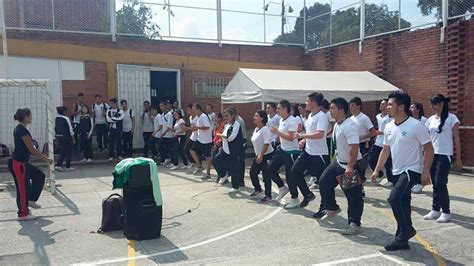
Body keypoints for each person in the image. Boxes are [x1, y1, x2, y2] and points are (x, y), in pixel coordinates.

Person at [371, 91, 434, 251]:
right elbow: (385, 150)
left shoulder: (415, 125)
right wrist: (377, 170)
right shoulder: (389, 126)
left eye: (391, 104)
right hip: (397, 170)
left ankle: (406, 230)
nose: (387, 106)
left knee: (394, 199)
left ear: (401, 107)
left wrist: (425, 172)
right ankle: (402, 239)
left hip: (412, 169)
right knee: (403, 202)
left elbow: (429, 148)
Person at [316, 98, 364, 235]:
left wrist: (350, 166)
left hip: (349, 166)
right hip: (337, 162)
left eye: (332, 109)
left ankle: (354, 224)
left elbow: (354, 147)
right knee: (324, 182)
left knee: (353, 197)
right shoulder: (338, 124)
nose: (330, 111)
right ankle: (332, 208)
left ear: (341, 110)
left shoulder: (350, 125)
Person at [8, 108, 54, 221]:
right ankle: (23, 214)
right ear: (25, 117)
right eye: (30, 115)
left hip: (24, 163)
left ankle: (31, 200)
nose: (31, 117)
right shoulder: (21, 130)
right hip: (18, 164)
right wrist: (46, 159)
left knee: (39, 176)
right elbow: (31, 149)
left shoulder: (22, 129)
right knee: (23, 188)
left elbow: (30, 148)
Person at [423, 94, 462, 223]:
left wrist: (458, 158)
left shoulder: (452, 118)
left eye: (434, 104)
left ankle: (446, 212)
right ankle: (435, 209)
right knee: (435, 183)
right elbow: (426, 138)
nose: (432, 107)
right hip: (432, 154)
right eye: (431, 104)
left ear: (441, 104)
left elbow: (456, 139)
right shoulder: (430, 120)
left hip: (444, 154)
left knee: (440, 183)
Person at [288, 92, 329, 209]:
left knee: (323, 183)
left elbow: (320, 134)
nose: (305, 103)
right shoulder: (310, 116)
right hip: (308, 151)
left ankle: (325, 207)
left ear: (314, 103)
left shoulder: (322, 116)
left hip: (319, 154)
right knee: (295, 171)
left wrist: (303, 136)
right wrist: (304, 140)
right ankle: (307, 194)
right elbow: (309, 132)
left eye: (307, 101)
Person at [267, 100, 298, 202]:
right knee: (270, 169)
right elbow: (281, 136)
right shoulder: (281, 120)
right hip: (282, 149)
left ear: (285, 109)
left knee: (290, 176)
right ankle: (282, 187)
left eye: (279, 108)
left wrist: (277, 132)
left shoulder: (292, 120)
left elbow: (291, 137)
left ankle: (294, 198)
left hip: (291, 152)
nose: (277, 110)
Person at [213, 108, 244, 192]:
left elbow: (231, 137)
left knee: (234, 168)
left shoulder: (236, 124)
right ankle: (223, 175)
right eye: (225, 116)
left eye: (227, 116)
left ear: (232, 116)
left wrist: (220, 135)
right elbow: (225, 135)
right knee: (216, 159)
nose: (226, 118)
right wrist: (221, 138)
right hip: (225, 148)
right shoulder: (227, 125)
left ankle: (235, 187)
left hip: (234, 149)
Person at [249, 110, 275, 202]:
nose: (254, 117)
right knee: (252, 173)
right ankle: (258, 189)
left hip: (266, 155)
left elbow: (267, 143)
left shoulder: (265, 129)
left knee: (266, 176)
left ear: (262, 118)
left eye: (256, 116)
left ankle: (268, 196)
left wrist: (261, 155)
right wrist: (259, 155)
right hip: (258, 155)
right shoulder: (256, 129)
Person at [368, 99, 394, 187]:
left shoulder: (390, 117)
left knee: (388, 162)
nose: (381, 105)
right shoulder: (378, 116)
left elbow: (391, 129)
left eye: (383, 104)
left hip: (387, 142)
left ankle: (391, 180)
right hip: (378, 141)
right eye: (381, 104)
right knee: (371, 159)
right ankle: (380, 174)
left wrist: (381, 132)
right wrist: (376, 135)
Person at [190, 103, 213, 179]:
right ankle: (199, 166)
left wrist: (198, 127)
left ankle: (208, 173)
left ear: (199, 109)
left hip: (206, 140)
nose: (193, 111)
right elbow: (198, 127)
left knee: (208, 157)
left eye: (194, 110)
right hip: (200, 139)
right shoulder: (198, 117)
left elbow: (207, 127)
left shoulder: (203, 116)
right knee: (192, 151)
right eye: (192, 110)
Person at [410, 102, 428, 193]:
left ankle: (420, 183)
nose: (410, 109)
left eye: (413, 107)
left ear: (418, 110)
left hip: (422, 146)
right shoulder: (409, 120)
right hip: (412, 147)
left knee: (421, 165)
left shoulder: (424, 120)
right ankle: (415, 182)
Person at [54, 106, 75, 171]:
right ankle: (65, 166)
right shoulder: (66, 118)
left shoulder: (56, 118)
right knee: (68, 152)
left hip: (59, 137)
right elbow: (70, 128)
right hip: (66, 137)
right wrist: (73, 137)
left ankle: (59, 165)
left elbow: (56, 128)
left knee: (63, 151)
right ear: (64, 111)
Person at [211, 112, 225, 183]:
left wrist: (218, 143)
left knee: (217, 160)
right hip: (215, 145)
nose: (215, 119)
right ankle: (220, 174)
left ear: (220, 118)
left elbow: (222, 135)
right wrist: (214, 144)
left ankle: (222, 175)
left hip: (221, 145)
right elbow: (215, 136)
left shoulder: (223, 125)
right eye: (214, 118)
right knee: (213, 161)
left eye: (216, 117)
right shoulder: (216, 126)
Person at [160, 101, 173, 166]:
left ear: (165, 106)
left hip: (169, 135)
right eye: (160, 106)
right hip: (163, 134)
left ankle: (172, 161)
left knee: (169, 148)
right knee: (162, 147)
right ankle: (166, 158)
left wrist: (164, 133)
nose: (161, 107)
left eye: (162, 106)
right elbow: (162, 125)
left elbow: (169, 126)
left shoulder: (170, 114)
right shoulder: (162, 114)